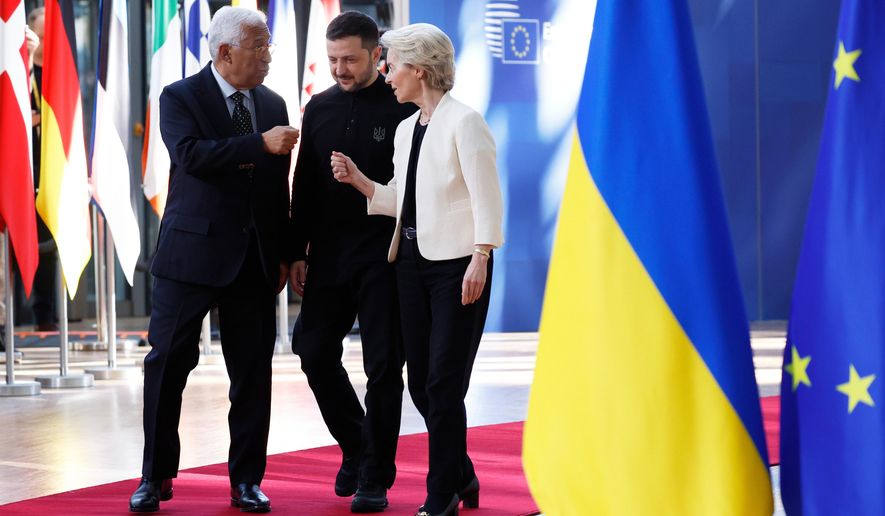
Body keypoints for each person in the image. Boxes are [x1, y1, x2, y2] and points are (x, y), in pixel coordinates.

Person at [129, 7, 299, 513]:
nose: (269, 54)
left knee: (253, 375)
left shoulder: (272, 102)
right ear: (227, 52)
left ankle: (247, 479)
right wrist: (257, 144)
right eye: (260, 46)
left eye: (269, 44)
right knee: (166, 368)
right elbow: (191, 156)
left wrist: (288, 253)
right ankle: (155, 476)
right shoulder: (180, 96)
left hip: (254, 261)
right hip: (191, 256)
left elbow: (276, 189)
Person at [331, 23, 504, 516]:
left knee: (443, 385)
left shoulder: (465, 122)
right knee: (422, 382)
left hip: (458, 268)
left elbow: (486, 197)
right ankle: (463, 474)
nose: (386, 74)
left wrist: (480, 256)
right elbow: (403, 201)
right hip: (409, 264)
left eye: (393, 64)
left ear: (420, 70)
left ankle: (442, 492)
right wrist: (362, 182)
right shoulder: (408, 129)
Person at [287, 11, 415, 513]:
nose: (340, 68)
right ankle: (359, 445)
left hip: (385, 255)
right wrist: (296, 251)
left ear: (377, 55)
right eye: (333, 59)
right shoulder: (318, 107)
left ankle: (374, 474)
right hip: (330, 257)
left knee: (384, 366)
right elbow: (306, 187)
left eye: (350, 59)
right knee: (313, 349)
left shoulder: (403, 106)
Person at [27, 7, 58, 332]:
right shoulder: (20, 72)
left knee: (48, 247)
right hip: (22, 169)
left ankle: (44, 314)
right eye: (42, 36)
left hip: (49, 171)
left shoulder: (56, 74)